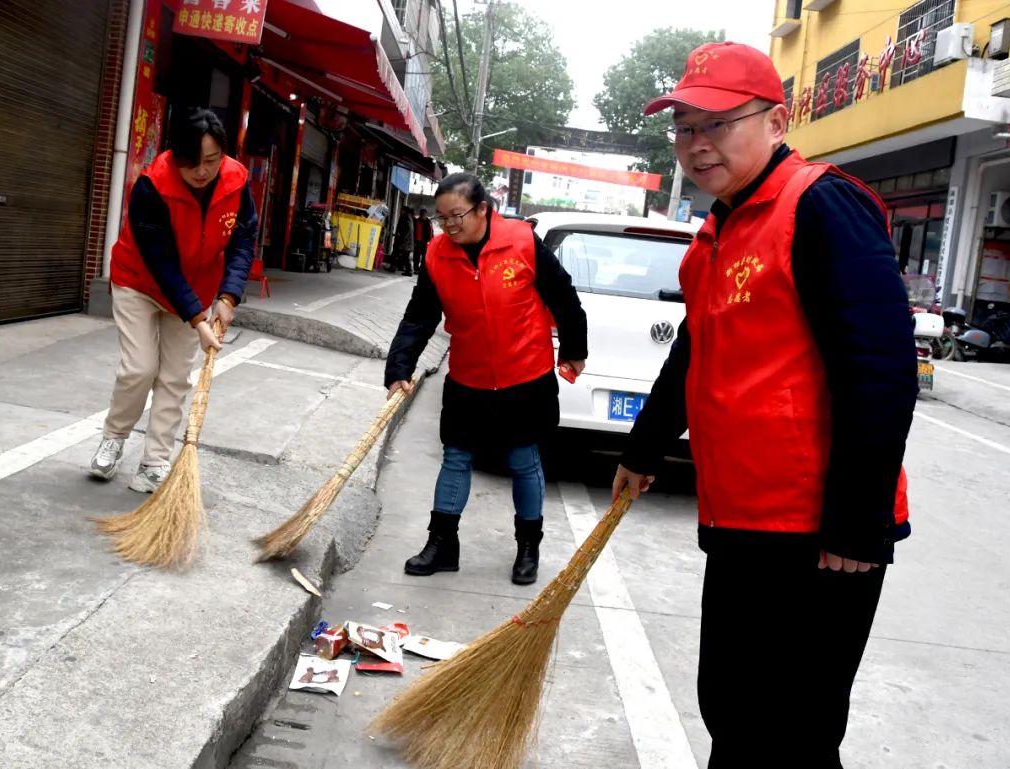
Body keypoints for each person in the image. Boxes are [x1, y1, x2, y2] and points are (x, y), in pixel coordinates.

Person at [611, 42, 918, 768]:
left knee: (793, 732)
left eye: (718, 123)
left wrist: (855, 522)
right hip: (740, 517)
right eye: (684, 127)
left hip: (817, 533)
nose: (697, 144)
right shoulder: (717, 232)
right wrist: (642, 447)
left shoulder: (821, 205)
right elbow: (696, 350)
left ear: (777, 121)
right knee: (732, 707)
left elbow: (880, 369)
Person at [385, 172, 587, 585]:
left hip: (524, 376)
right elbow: (419, 317)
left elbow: (563, 297)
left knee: (522, 460)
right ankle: (442, 545)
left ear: (482, 209)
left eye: (456, 216)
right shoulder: (437, 255)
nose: (449, 226)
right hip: (468, 376)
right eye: (442, 219)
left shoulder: (522, 242)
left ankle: (528, 547)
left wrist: (574, 350)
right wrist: (399, 369)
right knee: (456, 458)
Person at [90, 108, 258, 492]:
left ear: (224, 155)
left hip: (196, 288)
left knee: (174, 378)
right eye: (192, 162)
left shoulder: (236, 182)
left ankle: (154, 462)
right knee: (139, 368)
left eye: (212, 160)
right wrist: (198, 320)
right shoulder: (152, 185)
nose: (202, 171)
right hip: (141, 282)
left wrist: (229, 297)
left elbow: (243, 239)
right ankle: (114, 438)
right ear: (175, 154)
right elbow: (161, 262)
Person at [391, 206, 415, 276]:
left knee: (405, 256)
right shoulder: (406, 217)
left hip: (405, 242)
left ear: (405, 211)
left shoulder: (406, 218)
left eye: (402, 210)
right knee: (402, 255)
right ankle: (401, 268)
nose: (400, 211)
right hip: (405, 241)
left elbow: (407, 229)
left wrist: (401, 235)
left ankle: (409, 271)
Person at [413, 207, 433, 274]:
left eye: (423, 213)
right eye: (421, 213)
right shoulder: (417, 221)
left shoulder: (428, 222)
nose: (422, 215)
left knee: (424, 256)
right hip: (418, 241)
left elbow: (431, 232)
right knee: (416, 256)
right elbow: (414, 231)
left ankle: (421, 268)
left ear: (425, 214)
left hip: (425, 242)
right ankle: (416, 268)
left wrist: (430, 241)